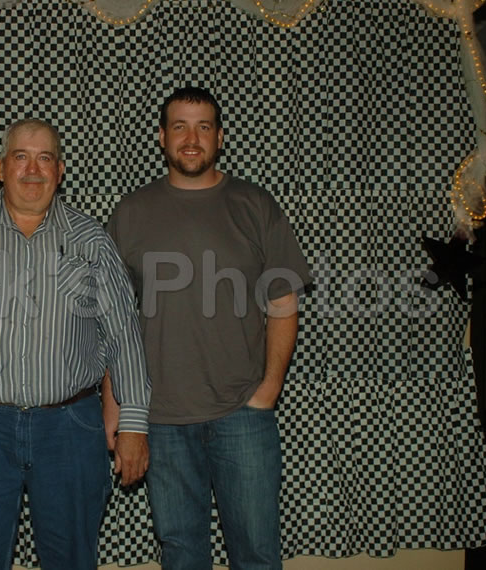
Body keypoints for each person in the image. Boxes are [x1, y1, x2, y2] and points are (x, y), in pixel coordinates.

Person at [0, 118, 151, 570]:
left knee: (73, 560)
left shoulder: (91, 241)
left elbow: (124, 334)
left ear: (60, 169)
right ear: (1, 167)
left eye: (44, 158)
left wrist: (133, 424)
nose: (32, 170)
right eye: (21, 157)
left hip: (70, 427)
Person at [103, 87, 311, 569]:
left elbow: (283, 301)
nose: (191, 139)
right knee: (180, 552)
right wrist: (115, 405)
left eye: (203, 127)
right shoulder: (131, 212)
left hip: (243, 413)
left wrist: (268, 391)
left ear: (220, 136)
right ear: (161, 137)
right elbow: (114, 319)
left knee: (257, 553)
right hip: (161, 415)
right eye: (179, 127)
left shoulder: (255, 204)